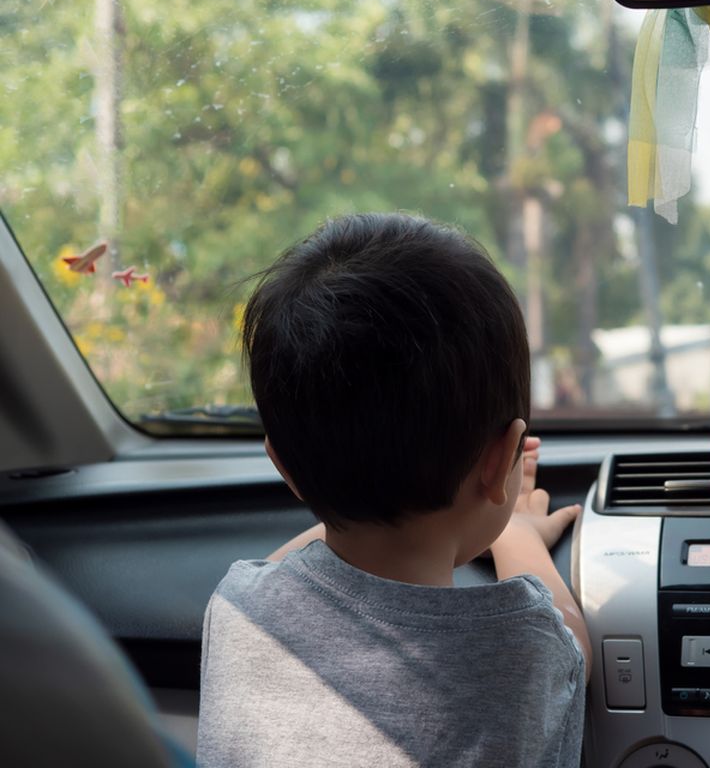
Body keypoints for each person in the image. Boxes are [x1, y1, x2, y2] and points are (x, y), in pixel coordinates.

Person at [197, 213, 591, 767]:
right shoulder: (524, 649)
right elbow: (572, 641)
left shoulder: (236, 607)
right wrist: (519, 535)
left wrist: (341, 485)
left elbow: (277, 570)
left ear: (282, 466)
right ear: (503, 459)